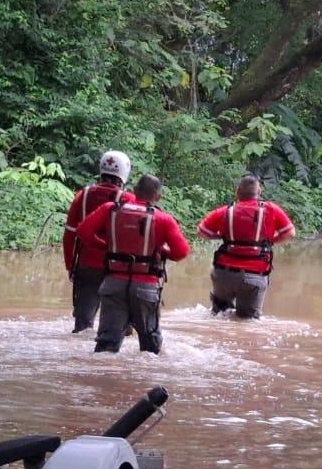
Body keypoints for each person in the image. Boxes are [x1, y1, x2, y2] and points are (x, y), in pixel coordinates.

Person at [75, 174, 190, 354]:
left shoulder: (109, 209)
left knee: (106, 346)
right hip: (146, 287)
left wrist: (105, 246)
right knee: (150, 348)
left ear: (134, 191)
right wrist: (161, 252)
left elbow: (83, 231)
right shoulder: (164, 219)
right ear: (158, 197)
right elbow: (181, 252)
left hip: (113, 284)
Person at [196, 174, 296, 319]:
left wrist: (220, 237)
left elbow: (202, 232)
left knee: (219, 316)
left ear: (237, 191)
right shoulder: (271, 209)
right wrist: (269, 241)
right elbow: (290, 233)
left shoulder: (226, 211)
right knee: (248, 322)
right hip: (254, 275)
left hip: (223, 274)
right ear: (259, 191)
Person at [62, 150, 131, 332]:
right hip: (117, 268)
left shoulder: (82, 196)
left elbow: (69, 235)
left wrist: (70, 266)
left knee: (82, 326)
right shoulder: (128, 200)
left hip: (86, 265)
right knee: (120, 326)